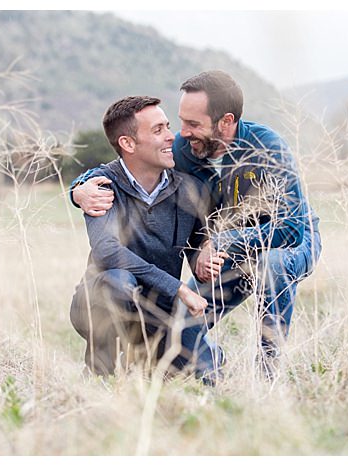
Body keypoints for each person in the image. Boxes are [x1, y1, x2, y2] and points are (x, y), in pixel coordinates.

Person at [72, 71, 322, 381]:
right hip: (225, 248)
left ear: (225, 122)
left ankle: (267, 375)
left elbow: (291, 228)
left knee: (273, 264)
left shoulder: (267, 148)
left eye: (193, 124)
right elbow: (123, 166)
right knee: (181, 331)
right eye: (180, 122)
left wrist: (222, 241)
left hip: (286, 244)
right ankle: (211, 365)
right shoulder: (182, 149)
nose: (182, 133)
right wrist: (79, 189)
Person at [69, 95, 220, 379]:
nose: (170, 137)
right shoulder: (99, 186)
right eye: (158, 130)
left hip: (160, 311)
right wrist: (180, 288)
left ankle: (164, 358)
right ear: (128, 144)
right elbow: (107, 252)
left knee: (201, 372)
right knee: (118, 281)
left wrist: (205, 255)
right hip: (99, 303)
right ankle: (100, 371)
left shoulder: (190, 190)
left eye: (167, 126)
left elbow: (198, 245)